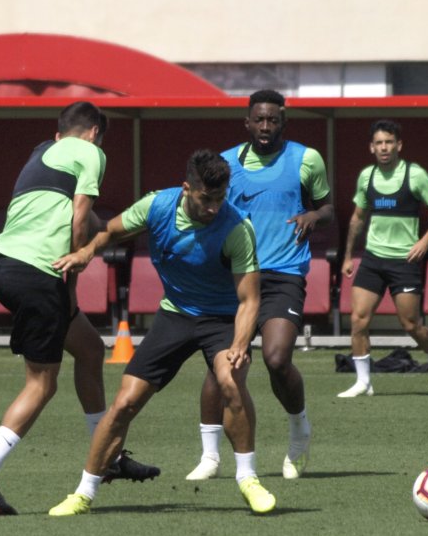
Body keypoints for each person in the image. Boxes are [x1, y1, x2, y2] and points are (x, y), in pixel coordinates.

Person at [48, 150, 275, 517]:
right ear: (187, 189)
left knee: (231, 381)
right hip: (175, 315)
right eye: (206, 199)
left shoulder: (236, 227)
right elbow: (110, 230)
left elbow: (250, 300)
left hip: (220, 320)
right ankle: (83, 493)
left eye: (220, 198)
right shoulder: (157, 206)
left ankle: (248, 479)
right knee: (124, 403)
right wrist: (87, 251)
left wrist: (239, 343)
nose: (214, 207)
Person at [0, 101, 158, 517]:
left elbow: (86, 218)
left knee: (88, 348)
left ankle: (108, 458)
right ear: (92, 134)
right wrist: (83, 254)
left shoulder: (41, 153)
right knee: (41, 384)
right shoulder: (90, 151)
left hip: (8, 269)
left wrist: (101, 243)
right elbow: (81, 214)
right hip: (37, 274)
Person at [185, 90, 333, 482]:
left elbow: (329, 207)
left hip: (284, 272)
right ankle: (210, 456)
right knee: (222, 365)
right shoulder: (228, 163)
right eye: (259, 120)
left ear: (282, 121)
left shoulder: (306, 159)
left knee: (277, 358)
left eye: (272, 120)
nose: (265, 127)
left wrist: (313, 215)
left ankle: (299, 429)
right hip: (235, 275)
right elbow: (210, 210)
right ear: (247, 122)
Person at [339, 119, 428, 398]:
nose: (384, 147)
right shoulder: (367, 177)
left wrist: (424, 241)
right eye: (379, 143)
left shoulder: (415, 175)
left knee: (411, 324)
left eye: (389, 142)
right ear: (371, 148)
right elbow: (357, 218)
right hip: (373, 259)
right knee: (358, 321)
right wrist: (349, 256)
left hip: (404, 261)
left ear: (398, 145)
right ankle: (363, 381)